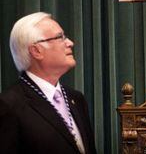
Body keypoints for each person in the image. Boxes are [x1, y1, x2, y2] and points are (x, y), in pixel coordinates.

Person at [0, 12, 96, 154]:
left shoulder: (76, 98)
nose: (70, 43)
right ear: (36, 51)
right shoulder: (8, 105)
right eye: (60, 37)